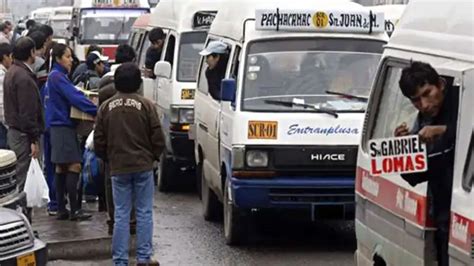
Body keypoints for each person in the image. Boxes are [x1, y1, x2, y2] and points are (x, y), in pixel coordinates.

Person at [94, 62, 164, 266]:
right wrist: (153, 157)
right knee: (144, 212)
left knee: (121, 215)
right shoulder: (146, 105)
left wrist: (108, 159)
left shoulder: (106, 107)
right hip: (143, 166)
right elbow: (158, 137)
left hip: (118, 168)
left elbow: (99, 140)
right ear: (138, 83)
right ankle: (143, 257)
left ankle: (120, 261)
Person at [394, 61, 457, 266]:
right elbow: (415, 176)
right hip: (444, 214)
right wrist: (404, 148)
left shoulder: (463, 99)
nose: (425, 105)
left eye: (427, 93)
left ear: (440, 84)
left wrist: (444, 131)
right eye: (416, 101)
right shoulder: (423, 120)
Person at [45, 43, 98, 221]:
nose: (70, 60)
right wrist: (95, 109)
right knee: (74, 164)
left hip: (56, 125)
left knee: (61, 166)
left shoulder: (55, 76)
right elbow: (74, 97)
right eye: (67, 57)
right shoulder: (58, 76)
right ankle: (74, 209)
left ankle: (62, 208)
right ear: (59, 58)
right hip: (62, 125)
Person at [97, 44, 137, 233]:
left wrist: (102, 153)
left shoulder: (104, 84)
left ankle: (114, 223)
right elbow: (154, 132)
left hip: (112, 150)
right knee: (136, 191)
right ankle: (133, 223)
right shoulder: (138, 89)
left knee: (112, 186)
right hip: (137, 152)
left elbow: (99, 129)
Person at [4, 37, 44, 192]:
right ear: (31, 52)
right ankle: (23, 212)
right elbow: (27, 112)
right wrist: (33, 139)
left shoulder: (12, 72)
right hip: (23, 136)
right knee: (24, 179)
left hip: (15, 132)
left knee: (19, 176)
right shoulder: (23, 77)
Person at [0, 43, 12, 149]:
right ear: (5, 57)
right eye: (11, 56)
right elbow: (2, 103)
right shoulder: (2, 75)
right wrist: (8, 125)